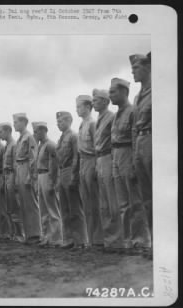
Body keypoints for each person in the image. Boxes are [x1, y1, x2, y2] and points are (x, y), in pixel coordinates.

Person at [109, 78, 151, 255]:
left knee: (135, 201)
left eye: (113, 92)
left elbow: (134, 137)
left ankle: (140, 241)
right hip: (117, 156)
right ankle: (127, 240)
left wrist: (134, 162)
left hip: (128, 153)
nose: (111, 95)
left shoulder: (132, 111)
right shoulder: (117, 113)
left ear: (124, 92)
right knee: (123, 204)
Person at [92, 89, 124, 253]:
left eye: (96, 100)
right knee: (103, 202)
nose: (93, 103)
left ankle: (117, 240)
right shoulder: (99, 118)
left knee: (112, 201)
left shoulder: (111, 117)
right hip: (99, 159)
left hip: (108, 157)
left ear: (105, 101)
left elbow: (113, 140)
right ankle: (109, 239)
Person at [130, 53, 153, 259]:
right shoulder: (137, 97)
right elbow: (134, 127)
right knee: (146, 199)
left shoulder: (158, 91)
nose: (133, 71)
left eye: (136, 67)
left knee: (159, 196)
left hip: (153, 141)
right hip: (140, 144)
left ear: (148, 68)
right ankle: (154, 243)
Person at [55, 111, 88, 250]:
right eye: (57, 121)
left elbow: (76, 156)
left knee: (75, 208)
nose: (58, 123)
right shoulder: (61, 138)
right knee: (64, 209)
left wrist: (74, 174)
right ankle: (68, 239)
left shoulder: (73, 136)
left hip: (70, 171)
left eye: (61, 121)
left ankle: (80, 241)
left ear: (69, 121)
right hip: (62, 171)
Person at [76, 95, 103, 248]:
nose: (77, 109)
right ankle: (91, 239)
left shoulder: (92, 123)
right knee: (86, 203)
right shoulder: (82, 124)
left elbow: (97, 146)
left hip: (91, 160)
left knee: (95, 202)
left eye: (79, 106)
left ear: (87, 107)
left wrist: (95, 167)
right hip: (82, 162)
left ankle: (99, 239)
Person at [13, 113, 41, 245]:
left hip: (26, 169)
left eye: (16, 122)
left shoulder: (29, 137)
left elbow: (33, 157)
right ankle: (28, 235)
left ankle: (35, 235)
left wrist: (31, 175)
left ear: (24, 122)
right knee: (23, 204)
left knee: (31, 203)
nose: (14, 124)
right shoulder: (20, 138)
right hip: (19, 169)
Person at [34, 122, 63, 248]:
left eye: (36, 131)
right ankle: (46, 236)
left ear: (43, 130)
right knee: (44, 209)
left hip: (47, 175)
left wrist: (52, 181)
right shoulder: (41, 145)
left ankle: (56, 238)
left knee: (52, 209)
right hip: (40, 175)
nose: (35, 134)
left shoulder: (50, 145)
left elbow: (55, 164)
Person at [0, 122, 24, 241]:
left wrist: (15, 181)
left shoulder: (13, 145)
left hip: (12, 176)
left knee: (16, 206)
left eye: (1, 132)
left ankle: (20, 234)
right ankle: (14, 233)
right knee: (10, 206)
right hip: (7, 176)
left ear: (8, 131)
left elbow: (15, 164)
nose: (0, 134)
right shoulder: (7, 145)